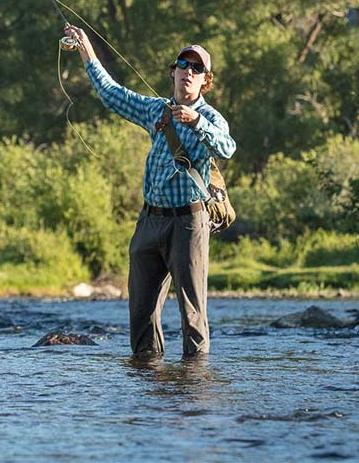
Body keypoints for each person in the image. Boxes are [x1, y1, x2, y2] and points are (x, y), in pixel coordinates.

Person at [63, 23, 236, 358]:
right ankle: (147, 388)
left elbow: (228, 148)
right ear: (173, 73)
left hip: (189, 222)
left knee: (193, 312)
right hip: (148, 222)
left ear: (205, 81)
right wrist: (87, 52)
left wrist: (196, 122)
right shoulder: (155, 109)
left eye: (197, 68)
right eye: (183, 65)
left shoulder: (212, 118)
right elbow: (113, 94)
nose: (189, 71)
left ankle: (194, 387)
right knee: (140, 313)